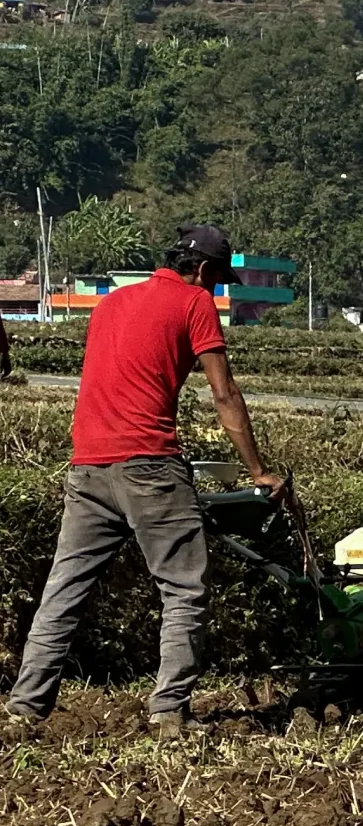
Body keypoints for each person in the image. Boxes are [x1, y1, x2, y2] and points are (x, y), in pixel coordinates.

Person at [6, 225, 283, 739]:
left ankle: (24, 708)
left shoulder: (111, 304)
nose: (218, 290)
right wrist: (258, 472)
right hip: (150, 465)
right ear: (202, 270)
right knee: (184, 589)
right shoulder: (193, 303)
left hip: (88, 465)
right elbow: (224, 395)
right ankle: (169, 711)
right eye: (219, 279)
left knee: (64, 590)